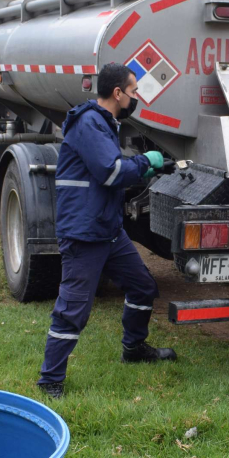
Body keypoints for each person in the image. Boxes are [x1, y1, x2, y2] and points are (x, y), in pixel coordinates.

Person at [36, 62, 176, 399]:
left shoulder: (102, 123)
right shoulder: (89, 124)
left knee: (142, 287)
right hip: (85, 233)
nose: (136, 97)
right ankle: (50, 380)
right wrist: (147, 162)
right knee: (73, 309)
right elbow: (111, 172)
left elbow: (108, 175)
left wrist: (148, 169)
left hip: (106, 228)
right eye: (134, 91)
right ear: (118, 93)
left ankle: (134, 349)